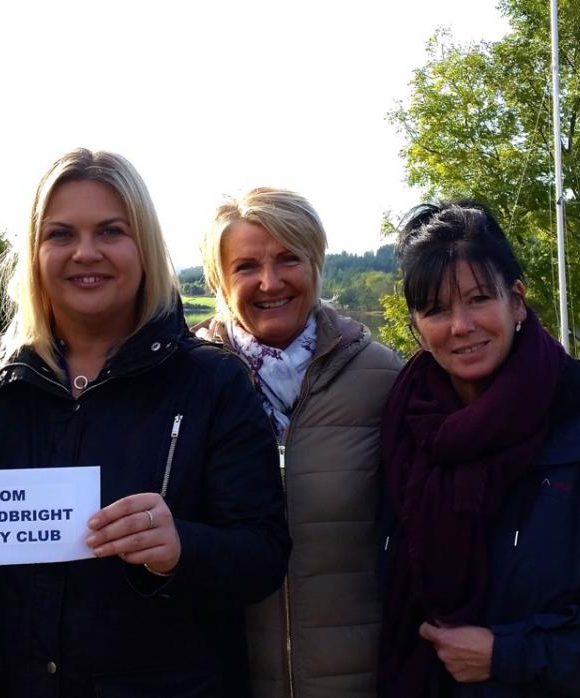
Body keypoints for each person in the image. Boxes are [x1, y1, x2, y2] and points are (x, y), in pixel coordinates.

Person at [0, 148, 290, 696]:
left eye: (111, 231)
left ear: (144, 246)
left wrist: (182, 548)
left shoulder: (213, 382)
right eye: (61, 234)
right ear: (34, 251)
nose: (85, 253)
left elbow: (262, 554)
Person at [378, 201, 580, 697]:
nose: (460, 326)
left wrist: (509, 654)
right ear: (416, 325)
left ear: (517, 300)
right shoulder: (400, 435)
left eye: (479, 298)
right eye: (436, 309)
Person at [196, 187, 403, 697]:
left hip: (363, 677)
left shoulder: (383, 375)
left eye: (289, 258)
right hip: (223, 677)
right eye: (246, 266)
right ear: (218, 281)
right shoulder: (186, 382)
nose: (270, 282)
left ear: (316, 263)